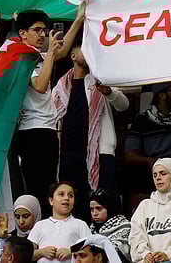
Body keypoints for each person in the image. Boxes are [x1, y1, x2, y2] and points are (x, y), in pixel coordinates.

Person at [13, 8, 83, 217]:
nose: (42, 34)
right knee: (40, 189)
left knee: (49, 185)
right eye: (37, 30)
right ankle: (38, 230)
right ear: (23, 33)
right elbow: (40, 85)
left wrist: (78, 19)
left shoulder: (38, 56)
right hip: (33, 131)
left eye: (44, 30)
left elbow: (62, 51)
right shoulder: (21, 58)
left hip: (46, 130)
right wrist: (51, 52)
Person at [52, 42, 127, 212]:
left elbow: (123, 105)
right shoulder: (62, 85)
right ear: (73, 56)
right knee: (74, 204)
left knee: (105, 202)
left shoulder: (101, 80)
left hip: (99, 153)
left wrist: (109, 92)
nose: (89, 52)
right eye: (84, 49)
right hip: (68, 153)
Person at [124, 82, 171, 198]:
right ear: (162, 95)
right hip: (152, 167)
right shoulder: (142, 120)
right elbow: (130, 155)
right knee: (131, 175)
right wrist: (150, 161)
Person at [29, 182, 91, 263]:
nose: (66, 198)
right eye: (61, 194)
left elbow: (90, 250)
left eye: (70, 195)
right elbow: (27, 255)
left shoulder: (80, 225)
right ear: (51, 200)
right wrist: (41, 252)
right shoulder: (40, 225)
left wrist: (72, 251)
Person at [87, 189, 130, 261]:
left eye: (99, 208)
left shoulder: (124, 226)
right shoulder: (91, 229)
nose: (95, 213)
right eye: (92, 209)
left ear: (109, 208)